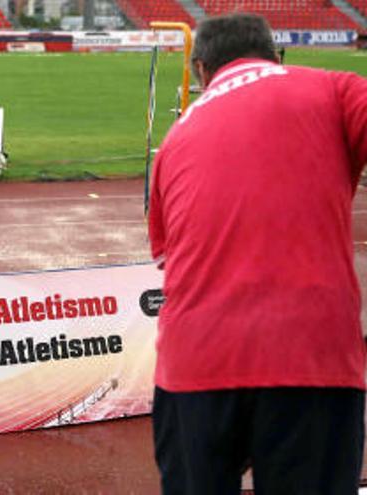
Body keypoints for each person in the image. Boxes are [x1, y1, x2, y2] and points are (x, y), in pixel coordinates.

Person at [148, 13, 367, 494]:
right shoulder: (331, 88)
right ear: (274, 54)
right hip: (309, 356)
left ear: (202, 71)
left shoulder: (174, 140)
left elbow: (170, 257)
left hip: (194, 364)